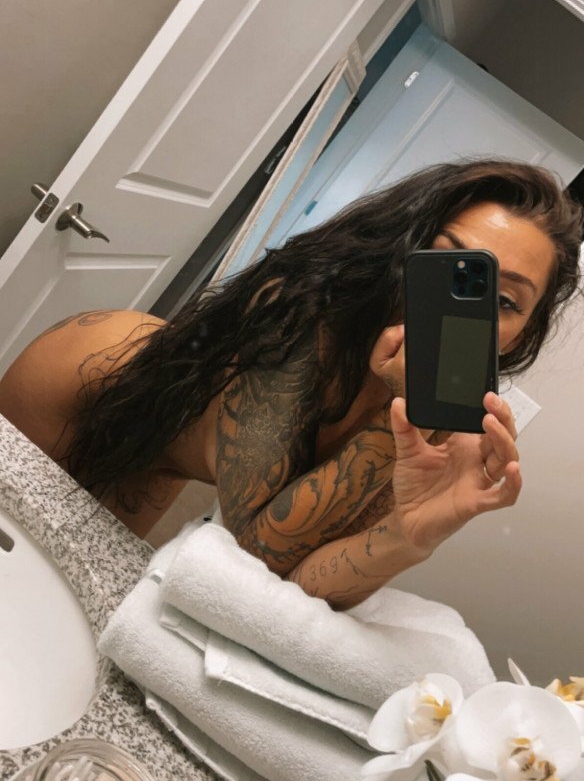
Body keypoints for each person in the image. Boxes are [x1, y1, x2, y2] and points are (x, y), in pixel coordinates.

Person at [0, 160, 581, 609]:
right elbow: (255, 555)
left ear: (517, 336)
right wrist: (393, 424)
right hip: (82, 387)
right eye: (447, 264)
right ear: (402, 250)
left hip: (156, 454)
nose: (461, 309)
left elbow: (299, 584)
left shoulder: (438, 421)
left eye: (505, 301)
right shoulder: (303, 321)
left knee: (64, 598)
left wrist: (411, 536)